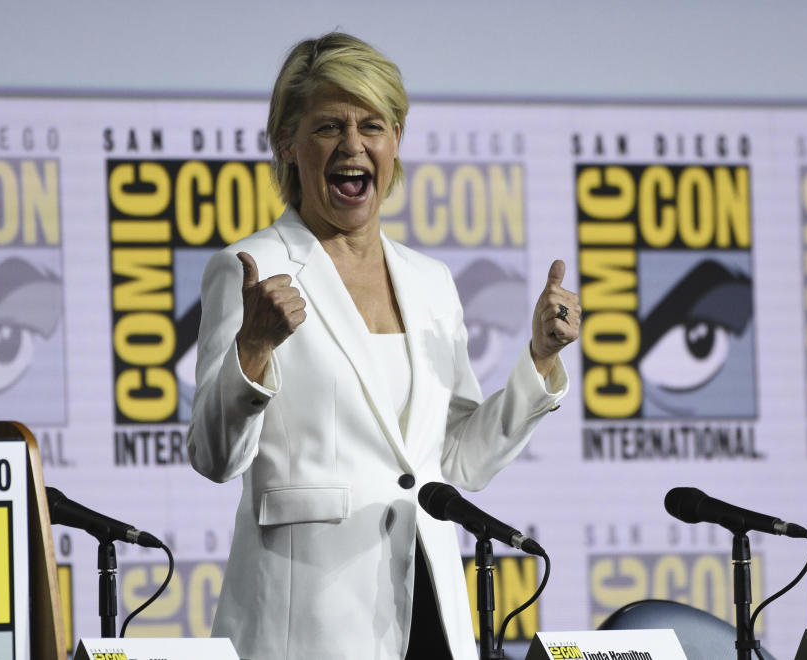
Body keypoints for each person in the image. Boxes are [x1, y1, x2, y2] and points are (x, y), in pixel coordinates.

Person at [186, 31, 580, 660]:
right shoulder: (251, 267)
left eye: (373, 124)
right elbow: (213, 456)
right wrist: (254, 349)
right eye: (328, 127)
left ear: (395, 142)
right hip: (306, 623)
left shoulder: (430, 282)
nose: (353, 145)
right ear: (288, 144)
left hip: (426, 606)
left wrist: (539, 362)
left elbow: (458, 461)